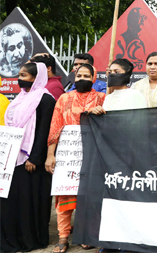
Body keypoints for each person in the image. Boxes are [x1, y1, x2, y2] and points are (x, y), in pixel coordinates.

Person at [45, 64, 104, 252]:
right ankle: (63, 237)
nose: (82, 79)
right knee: (65, 194)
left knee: (90, 196)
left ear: (94, 78)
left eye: (87, 75)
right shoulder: (64, 98)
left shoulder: (102, 97)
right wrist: (50, 155)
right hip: (67, 154)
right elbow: (55, 127)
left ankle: (87, 235)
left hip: (93, 154)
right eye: (79, 75)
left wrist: (101, 113)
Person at [0, 62, 55, 252]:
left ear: (35, 77)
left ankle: (30, 240)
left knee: (29, 201)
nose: (19, 78)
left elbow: (44, 131)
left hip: (32, 163)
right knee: (12, 200)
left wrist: (34, 158)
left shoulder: (45, 99)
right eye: (19, 74)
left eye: (24, 75)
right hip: (13, 159)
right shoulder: (19, 98)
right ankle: (12, 237)